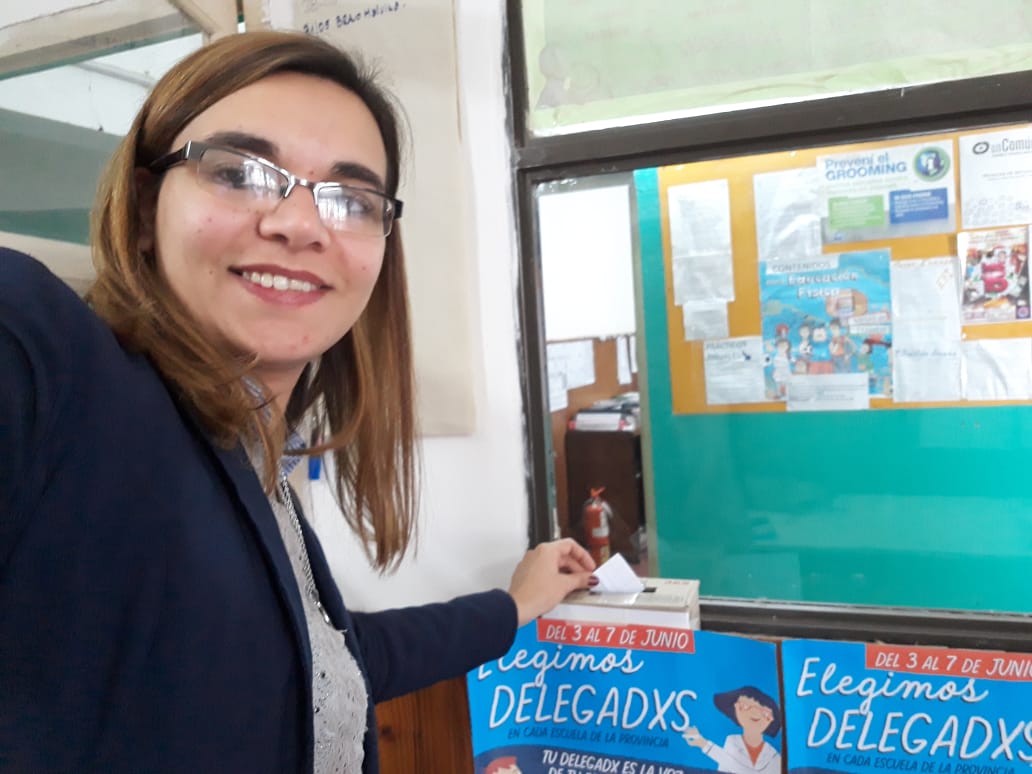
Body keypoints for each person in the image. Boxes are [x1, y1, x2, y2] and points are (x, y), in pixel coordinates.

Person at [0, 30, 596, 774]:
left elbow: (324, 660)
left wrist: (513, 606)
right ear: (147, 208)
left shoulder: (257, 475)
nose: (299, 224)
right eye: (238, 172)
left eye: (350, 198)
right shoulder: (51, 358)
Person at [682, 685, 781, 774]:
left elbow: (742, 769)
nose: (753, 712)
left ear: (770, 719)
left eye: (764, 712)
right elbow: (726, 767)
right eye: (743, 706)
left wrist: (705, 744)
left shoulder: (773, 756)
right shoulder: (732, 741)